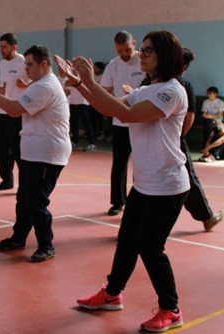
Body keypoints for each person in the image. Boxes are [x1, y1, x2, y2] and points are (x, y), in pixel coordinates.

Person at [57, 30, 190, 333]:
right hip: (145, 183)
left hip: (168, 185)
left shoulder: (171, 90)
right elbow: (109, 108)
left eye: (148, 51)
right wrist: (81, 83)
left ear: (165, 57)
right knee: (128, 240)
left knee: (150, 246)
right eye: (142, 49)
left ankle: (171, 309)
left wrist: (88, 82)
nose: (141, 55)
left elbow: (127, 114)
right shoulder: (146, 88)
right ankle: (112, 293)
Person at [0, 45, 71, 262]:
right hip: (34, 151)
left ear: (43, 64)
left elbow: (14, 110)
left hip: (47, 153)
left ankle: (47, 245)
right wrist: (0, 95)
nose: (26, 69)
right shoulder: (38, 85)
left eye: (30, 64)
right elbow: (15, 107)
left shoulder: (45, 86)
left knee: (37, 201)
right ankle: (18, 238)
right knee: (24, 199)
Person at [175, 47, 224, 231]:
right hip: (172, 141)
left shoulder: (152, 80)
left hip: (163, 141)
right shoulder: (179, 84)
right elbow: (189, 118)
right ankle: (207, 217)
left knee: (143, 180)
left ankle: (132, 226)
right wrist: (176, 138)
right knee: (189, 178)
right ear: (185, 66)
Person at [99, 31, 145, 216]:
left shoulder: (146, 61)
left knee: (141, 164)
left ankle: (139, 201)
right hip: (120, 122)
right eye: (120, 51)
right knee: (119, 163)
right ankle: (118, 201)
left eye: (127, 49)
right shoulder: (113, 66)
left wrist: (135, 93)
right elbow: (105, 92)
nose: (124, 54)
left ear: (134, 43)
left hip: (142, 120)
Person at [0, 33, 29, 190]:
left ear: (14, 47)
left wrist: (27, 84)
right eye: (0, 46)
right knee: (2, 150)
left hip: (17, 111)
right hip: (3, 110)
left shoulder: (24, 62)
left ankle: (25, 184)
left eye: (4, 46)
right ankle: (7, 180)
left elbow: (37, 81)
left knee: (18, 150)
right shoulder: (2, 64)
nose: (1, 49)